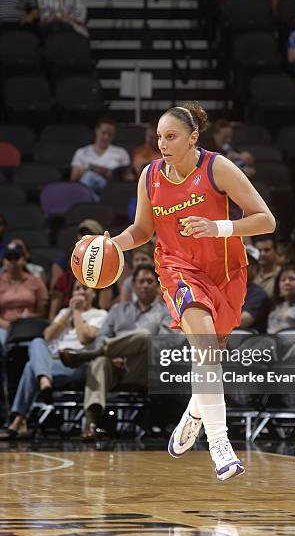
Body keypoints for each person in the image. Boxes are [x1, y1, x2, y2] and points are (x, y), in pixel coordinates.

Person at [76, 101, 276, 480]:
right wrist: (114, 244)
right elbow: (143, 230)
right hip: (177, 270)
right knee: (204, 346)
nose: (162, 143)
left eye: (171, 137)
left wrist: (218, 227)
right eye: (159, 137)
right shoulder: (150, 175)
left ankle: (195, 413)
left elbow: (266, 220)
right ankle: (221, 446)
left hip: (226, 271)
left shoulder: (217, 167)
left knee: (210, 359)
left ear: (193, 138)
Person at [59, 264, 173, 440]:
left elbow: (165, 345)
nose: (145, 285)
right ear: (133, 286)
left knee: (145, 336)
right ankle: (91, 423)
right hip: (113, 366)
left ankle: (89, 355)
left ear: (157, 286)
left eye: (150, 281)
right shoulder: (117, 310)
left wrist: (112, 350)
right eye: (141, 281)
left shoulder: (166, 312)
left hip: (144, 368)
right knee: (99, 362)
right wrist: (113, 357)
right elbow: (101, 337)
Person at [0, 281, 107, 440]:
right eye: (77, 288)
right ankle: (44, 379)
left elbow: (85, 338)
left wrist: (77, 313)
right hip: (53, 361)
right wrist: (68, 313)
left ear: (94, 294)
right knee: (37, 342)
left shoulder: (100, 314)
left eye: (85, 288)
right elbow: (48, 335)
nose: (80, 292)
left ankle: (18, 422)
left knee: (31, 367)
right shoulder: (64, 312)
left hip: (77, 362)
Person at [70, 116, 134, 198]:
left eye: (110, 134)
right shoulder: (82, 152)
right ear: (96, 130)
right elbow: (73, 179)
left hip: (111, 188)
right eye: (103, 133)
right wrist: (88, 170)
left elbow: (127, 178)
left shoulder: (121, 153)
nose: (106, 137)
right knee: (89, 177)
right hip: (86, 187)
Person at [0, 243, 48, 346]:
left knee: (37, 344)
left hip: (29, 325)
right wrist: (8, 326)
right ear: (3, 261)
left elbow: (42, 311)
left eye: (17, 258)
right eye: (9, 258)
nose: (13, 262)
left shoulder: (35, 281)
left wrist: (29, 320)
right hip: (4, 325)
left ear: (24, 260)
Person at [239, 245, 270, 332]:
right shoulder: (227, 290)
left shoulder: (258, 293)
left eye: (248, 263)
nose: (243, 266)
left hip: (250, 341)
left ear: (257, 268)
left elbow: (243, 321)